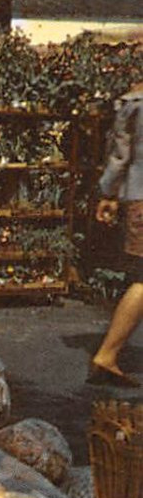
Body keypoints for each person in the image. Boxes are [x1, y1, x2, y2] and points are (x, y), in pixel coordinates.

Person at [87, 79, 143, 386]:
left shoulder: (133, 101)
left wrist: (108, 193)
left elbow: (120, 154)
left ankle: (107, 354)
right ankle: (107, 354)